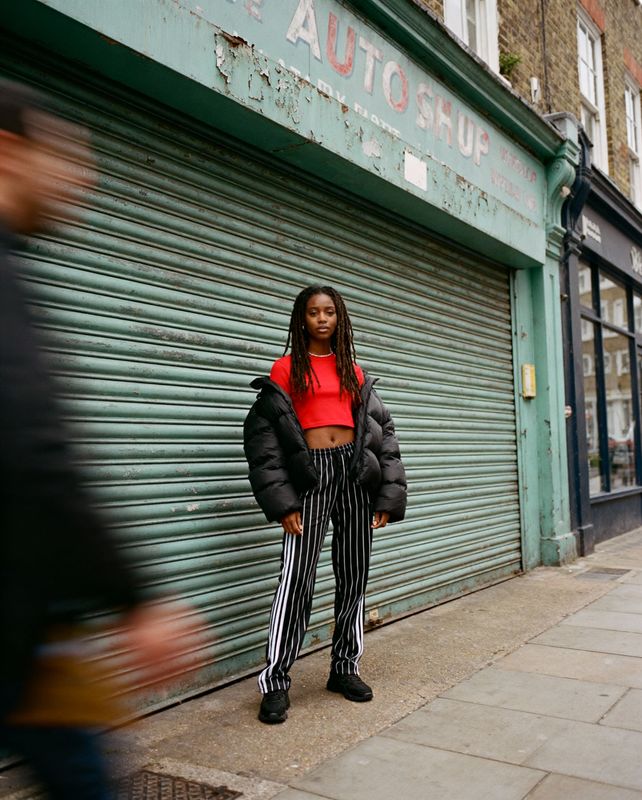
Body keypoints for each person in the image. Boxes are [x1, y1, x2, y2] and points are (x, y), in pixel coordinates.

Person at [0, 80, 198, 799]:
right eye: (61, 156)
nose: (82, 178)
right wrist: (135, 599)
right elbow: (29, 453)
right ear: (5, 152)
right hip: (24, 631)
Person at [243, 285, 407, 724]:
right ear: (301, 319)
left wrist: (387, 495)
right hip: (310, 478)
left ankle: (344, 668)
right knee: (295, 578)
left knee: (354, 572)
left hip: (353, 475)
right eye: (313, 312)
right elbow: (264, 442)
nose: (321, 319)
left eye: (329, 312)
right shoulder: (284, 370)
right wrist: (282, 503)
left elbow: (383, 436)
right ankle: (276, 682)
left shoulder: (353, 371)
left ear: (340, 319)